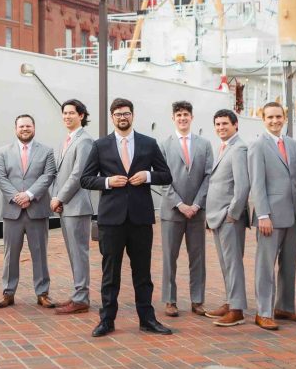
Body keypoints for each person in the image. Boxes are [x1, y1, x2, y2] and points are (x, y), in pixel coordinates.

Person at [80, 97, 173, 337]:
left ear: (133, 115)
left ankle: (147, 319)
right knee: (110, 273)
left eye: (126, 113)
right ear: (112, 117)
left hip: (141, 218)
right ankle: (107, 320)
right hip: (111, 220)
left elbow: (166, 175)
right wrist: (108, 182)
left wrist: (148, 176)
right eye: (118, 114)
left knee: (143, 273)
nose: (123, 117)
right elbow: (86, 179)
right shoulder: (100, 145)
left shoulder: (149, 143)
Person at [248, 102, 296, 331]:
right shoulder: (257, 145)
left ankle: (284, 306)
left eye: (278, 117)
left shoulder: (292, 144)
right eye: (270, 117)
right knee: (266, 265)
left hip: (293, 213)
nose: (275, 121)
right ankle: (263, 312)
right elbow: (257, 183)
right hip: (270, 216)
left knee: (289, 263)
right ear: (262, 119)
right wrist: (262, 214)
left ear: (285, 117)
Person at [0, 114, 58, 309]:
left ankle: (42, 293)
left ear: (34, 128)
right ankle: (8, 293)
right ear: (16, 129)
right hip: (12, 210)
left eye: (28, 126)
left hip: (36, 209)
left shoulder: (46, 151)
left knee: (39, 253)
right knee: (10, 254)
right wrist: (16, 196)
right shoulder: (4, 151)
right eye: (21, 126)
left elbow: (48, 175)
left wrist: (29, 195)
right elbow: (0, 176)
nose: (24, 129)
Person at [159, 101, 213, 317]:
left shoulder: (204, 144)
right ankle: (170, 300)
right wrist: (180, 204)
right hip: (172, 211)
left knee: (197, 257)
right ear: (173, 118)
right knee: (169, 257)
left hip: (197, 211)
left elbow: (209, 176)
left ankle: (197, 300)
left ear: (192, 117)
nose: (182, 118)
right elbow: (162, 179)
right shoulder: (164, 145)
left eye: (186, 115)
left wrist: (197, 204)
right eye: (179, 114)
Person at [204, 109, 250, 328]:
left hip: (228, 217)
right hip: (217, 216)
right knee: (225, 263)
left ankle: (237, 310)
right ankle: (231, 300)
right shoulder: (224, 147)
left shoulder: (239, 148)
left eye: (225, 124)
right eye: (218, 124)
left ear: (235, 125)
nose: (221, 127)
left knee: (232, 263)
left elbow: (242, 186)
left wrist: (232, 214)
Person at [51, 99, 95, 314]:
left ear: (81, 115)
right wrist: (57, 198)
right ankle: (78, 294)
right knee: (73, 252)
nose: (67, 116)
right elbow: (59, 174)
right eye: (64, 113)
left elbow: (78, 174)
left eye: (71, 113)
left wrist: (59, 198)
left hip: (76, 206)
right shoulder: (66, 141)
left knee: (79, 252)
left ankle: (82, 298)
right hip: (67, 206)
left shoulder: (84, 141)